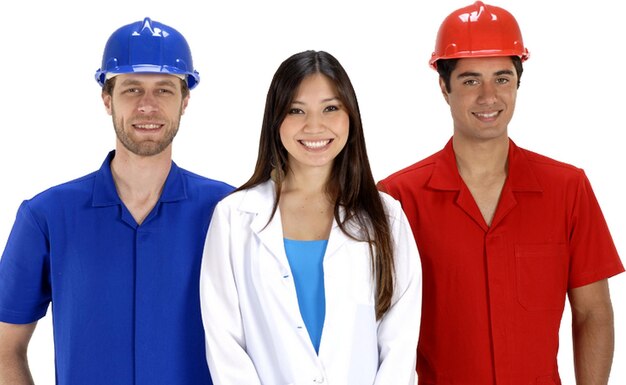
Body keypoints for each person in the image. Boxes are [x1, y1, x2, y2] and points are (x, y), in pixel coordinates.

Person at [377, 2, 624, 384]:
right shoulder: (398, 199)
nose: (489, 96)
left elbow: (593, 312)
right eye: (471, 80)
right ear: (444, 86)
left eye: (503, 78)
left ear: (518, 82)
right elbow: (371, 325)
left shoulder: (567, 189)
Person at [0, 17, 233, 385]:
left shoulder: (228, 211)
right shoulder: (46, 216)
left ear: (185, 100)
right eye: (132, 90)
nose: (147, 106)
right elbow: (5, 349)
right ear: (107, 99)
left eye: (164, 90)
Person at [198, 50, 422, 384]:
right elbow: (225, 344)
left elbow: (399, 344)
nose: (314, 126)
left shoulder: (386, 217)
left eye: (330, 108)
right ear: (276, 120)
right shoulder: (234, 217)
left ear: (350, 117)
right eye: (296, 110)